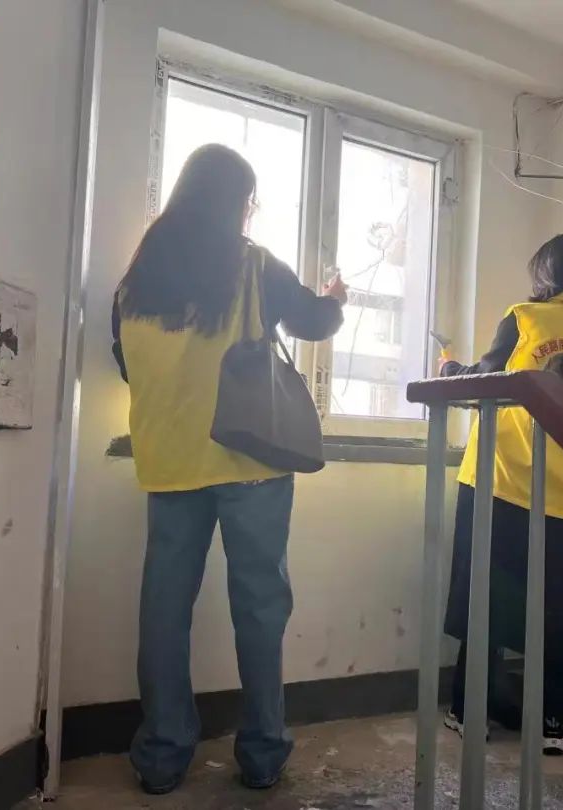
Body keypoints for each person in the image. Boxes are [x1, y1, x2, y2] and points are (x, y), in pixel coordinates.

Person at [111, 144, 347, 794]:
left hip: (169, 463)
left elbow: (127, 364)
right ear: (238, 202)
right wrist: (336, 298)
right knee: (261, 608)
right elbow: (312, 322)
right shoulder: (253, 265)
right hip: (250, 460)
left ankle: (161, 756)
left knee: (164, 611)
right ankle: (263, 754)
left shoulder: (135, 282)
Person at [440, 233, 563, 756]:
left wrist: (449, 371)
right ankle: (551, 722)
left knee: (485, 602)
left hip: (502, 482)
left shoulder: (524, 317)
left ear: (546, 275)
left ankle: (468, 712)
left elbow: (488, 380)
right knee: (558, 614)